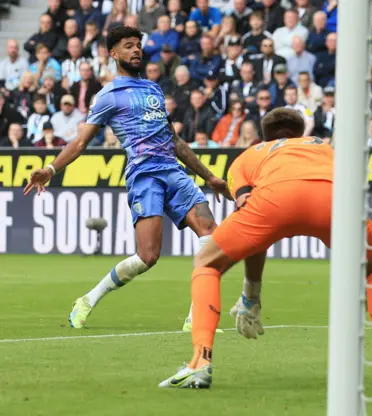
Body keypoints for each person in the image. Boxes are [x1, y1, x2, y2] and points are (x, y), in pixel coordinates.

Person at [158, 108, 372, 392]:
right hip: (334, 200)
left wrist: (250, 296)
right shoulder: (325, 147)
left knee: (207, 262)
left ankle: (200, 361)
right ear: (301, 134)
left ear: (264, 136)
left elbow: (250, 221)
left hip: (275, 199)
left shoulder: (251, 154)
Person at [24, 26, 231, 332]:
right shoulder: (108, 96)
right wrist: (52, 169)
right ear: (114, 54)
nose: (136, 50)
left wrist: (210, 176)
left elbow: (174, 141)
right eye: (128, 46)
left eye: (138, 45)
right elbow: (80, 142)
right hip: (144, 175)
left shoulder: (154, 90)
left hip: (174, 172)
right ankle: (89, 299)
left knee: (211, 237)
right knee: (148, 257)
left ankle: (196, 316)